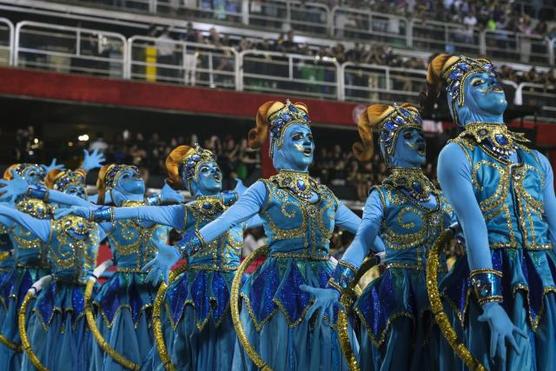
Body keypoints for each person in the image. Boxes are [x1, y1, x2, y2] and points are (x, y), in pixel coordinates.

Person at [146, 100, 369, 371]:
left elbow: (370, 237)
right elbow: (227, 219)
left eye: (309, 137)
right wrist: (182, 250)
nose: (307, 143)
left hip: (325, 285)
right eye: (297, 137)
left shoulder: (327, 196)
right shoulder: (264, 189)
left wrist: (348, 276)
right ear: (277, 145)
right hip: (279, 285)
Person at [59, 144, 259, 371]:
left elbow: (274, 212)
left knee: (232, 351)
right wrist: (92, 211)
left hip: (233, 290)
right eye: (205, 169)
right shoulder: (183, 211)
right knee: (188, 354)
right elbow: (137, 212)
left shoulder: (237, 209)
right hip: (193, 292)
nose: (215, 172)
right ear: (191, 182)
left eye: (216, 168)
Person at [425, 53, 556, 370]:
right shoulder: (457, 153)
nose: (492, 85)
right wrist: (492, 302)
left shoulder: (537, 159)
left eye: (492, 79)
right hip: (497, 273)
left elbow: (554, 225)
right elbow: (474, 227)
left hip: (545, 273)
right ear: (460, 99)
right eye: (478, 83)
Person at [305, 103, 455, 370]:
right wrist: (336, 287)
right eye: (408, 136)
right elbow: (364, 238)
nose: (419, 139)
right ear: (389, 148)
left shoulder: (443, 197)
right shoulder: (382, 195)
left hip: (442, 292)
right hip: (400, 292)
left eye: (418, 134)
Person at [0, 169, 103, 371]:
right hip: (53, 293)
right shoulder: (51, 226)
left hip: (88, 295)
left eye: (79, 191)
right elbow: (11, 213)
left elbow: (119, 211)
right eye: (69, 191)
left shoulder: (97, 225)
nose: (76, 195)